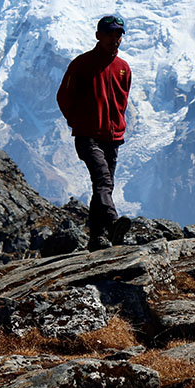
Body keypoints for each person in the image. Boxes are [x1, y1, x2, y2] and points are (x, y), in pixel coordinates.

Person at [56, 14, 133, 251]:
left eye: (118, 34)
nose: (115, 39)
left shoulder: (123, 68)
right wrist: (77, 122)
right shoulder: (81, 64)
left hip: (113, 137)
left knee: (102, 186)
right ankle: (112, 224)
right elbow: (63, 97)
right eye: (110, 34)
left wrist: (117, 124)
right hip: (88, 135)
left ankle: (96, 238)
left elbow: (123, 99)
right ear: (98, 35)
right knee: (102, 179)